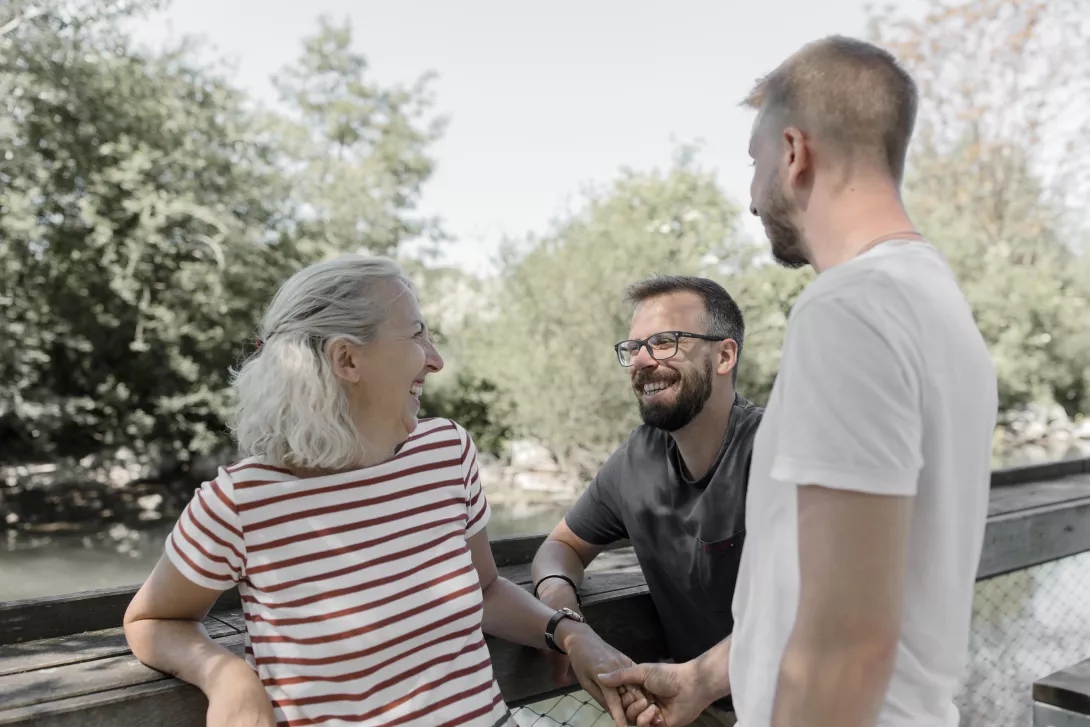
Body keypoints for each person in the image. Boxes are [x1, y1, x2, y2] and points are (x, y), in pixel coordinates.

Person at [599, 36, 998, 727]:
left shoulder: (849, 308)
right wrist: (701, 677)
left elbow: (847, 642)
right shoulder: (934, 301)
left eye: (753, 163)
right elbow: (848, 585)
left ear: (793, 153)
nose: (752, 197)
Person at [123, 254, 605, 727]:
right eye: (417, 334)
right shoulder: (240, 502)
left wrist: (567, 633)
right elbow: (152, 621)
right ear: (347, 359)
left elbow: (486, 590)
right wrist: (226, 674)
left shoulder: (446, 451)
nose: (435, 360)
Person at [531, 275, 763, 727]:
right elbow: (560, 548)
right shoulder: (638, 457)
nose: (640, 360)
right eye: (633, 348)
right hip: (696, 709)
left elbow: (822, 610)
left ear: (724, 355)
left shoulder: (776, 450)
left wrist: (700, 679)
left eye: (663, 341)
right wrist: (568, 623)